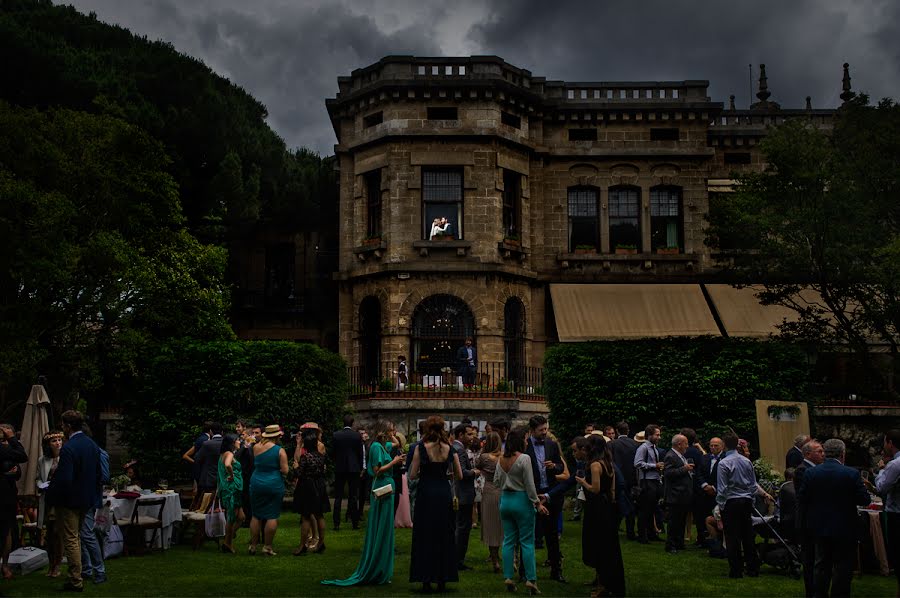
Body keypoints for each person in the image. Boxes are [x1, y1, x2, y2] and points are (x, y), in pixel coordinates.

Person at [322, 419, 404, 586]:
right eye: (390, 430)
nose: (393, 433)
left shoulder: (383, 446)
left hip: (388, 488)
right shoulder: (375, 447)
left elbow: (395, 444)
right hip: (383, 487)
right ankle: (375, 567)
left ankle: (382, 567)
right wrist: (394, 462)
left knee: (386, 526)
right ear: (381, 431)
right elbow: (377, 471)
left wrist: (391, 435)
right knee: (380, 526)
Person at [799, 438, 869, 597]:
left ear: (825, 453)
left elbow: (802, 499)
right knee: (843, 566)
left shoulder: (811, 473)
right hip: (845, 527)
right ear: (842, 454)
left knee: (821, 564)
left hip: (820, 526)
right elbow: (864, 499)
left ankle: (819, 594)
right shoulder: (851, 473)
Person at [46, 411, 100, 592]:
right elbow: (97, 474)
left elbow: (64, 479)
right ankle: (83, 572)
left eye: (63, 424)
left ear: (68, 426)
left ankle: (76, 580)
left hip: (70, 500)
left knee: (70, 539)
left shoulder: (69, 448)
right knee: (78, 537)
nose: (62, 427)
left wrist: (51, 493)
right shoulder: (91, 444)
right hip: (87, 498)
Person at [408, 416, 462, 592]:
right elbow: (459, 475)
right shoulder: (450, 448)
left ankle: (425, 579)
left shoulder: (420, 448)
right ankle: (442, 579)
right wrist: (445, 475)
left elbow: (412, 475)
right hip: (443, 493)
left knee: (425, 535)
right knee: (444, 534)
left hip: (426, 493)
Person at [496, 427, 546, 595]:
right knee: (527, 542)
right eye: (525, 439)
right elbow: (530, 485)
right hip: (522, 500)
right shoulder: (524, 458)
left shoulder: (501, 459)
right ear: (519, 441)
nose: (527, 442)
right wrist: (537, 503)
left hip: (505, 501)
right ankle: (531, 579)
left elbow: (496, 481)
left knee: (509, 541)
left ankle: (508, 576)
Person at [575, 435, 625, 598]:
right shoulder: (609, 464)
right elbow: (611, 490)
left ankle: (602, 585)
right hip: (608, 508)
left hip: (596, 509)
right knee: (609, 547)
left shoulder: (596, 465)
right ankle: (610, 583)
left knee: (598, 546)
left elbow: (595, 489)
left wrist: (583, 482)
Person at [525, 414, 567, 583]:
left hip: (549, 493)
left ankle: (556, 571)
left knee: (552, 535)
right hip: (531, 493)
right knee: (527, 535)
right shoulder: (525, 445)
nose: (545, 432)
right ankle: (524, 572)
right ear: (532, 430)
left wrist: (554, 466)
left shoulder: (552, 444)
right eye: (541, 430)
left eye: (546, 429)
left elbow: (561, 466)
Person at [716, 432, 761, 578]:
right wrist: (752, 500)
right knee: (747, 535)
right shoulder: (746, 461)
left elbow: (722, 488)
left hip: (731, 501)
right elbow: (753, 484)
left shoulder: (724, 463)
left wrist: (721, 505)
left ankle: (736, 570)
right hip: (746, 500)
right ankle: (752, 568)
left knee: (732, 537)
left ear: (723, 445)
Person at [249, 424, 288, 556]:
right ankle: (267, 546)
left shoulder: (255, 447)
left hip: (256, 482)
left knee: (256, 515)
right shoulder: (280, 450)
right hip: (273, 483)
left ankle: (253, 546)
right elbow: (285, 470)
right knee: (272, 515)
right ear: (277, 436)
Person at [293, 428, 329, 555]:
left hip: (307, 487)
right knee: (319, 515)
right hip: (319, 485)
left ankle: (302, 546)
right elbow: (324, 471)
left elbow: (299, 474)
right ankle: (321, 543)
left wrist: (296, 467)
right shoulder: (321, 456)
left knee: (306, 516)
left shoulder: (305, 457)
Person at [80, 424, 108, 585]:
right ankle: (87, 568)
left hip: (89, 497)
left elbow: (104, 476)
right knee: (83, 535)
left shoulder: (98, 452)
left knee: (87, 534)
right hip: (83, 497)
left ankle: (99, 570)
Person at [875, 429, 900, 598]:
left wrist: (881, 470)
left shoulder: (894, 465)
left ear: (890, 443)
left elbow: (881, 487)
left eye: (885, 442)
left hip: (897, 515)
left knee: (898, 555)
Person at [452, 422, 480, 570]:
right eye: (469, 434)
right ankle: (458, 561)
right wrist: (475, 472)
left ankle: (455, 559)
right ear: (460, 435)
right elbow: (461, 473)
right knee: (462, 528)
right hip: (463, 495)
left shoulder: (456, 448)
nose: (472, 437)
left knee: (459, 526)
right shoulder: (460, 450)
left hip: (460, 494)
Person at [37, 431, 64, 578]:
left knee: (57, 533)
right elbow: (37, 478)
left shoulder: (65, 458)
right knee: (48, 535)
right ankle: (51, 563)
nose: (58, 443)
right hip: (46, 499)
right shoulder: (42, 460)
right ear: (48, 444)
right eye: (54, 440)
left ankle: (57, 565)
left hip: (59, 500)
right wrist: (41, 484)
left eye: (60, 440)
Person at [476, 432, 503, 573]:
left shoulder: (484, 457)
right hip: (503, 490)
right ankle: (513, 558)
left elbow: (477, 465)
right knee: (502, 525)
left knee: (491, 525)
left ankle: (495, 560)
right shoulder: (504, 457)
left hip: (489, 490)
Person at [663, 433, 695, 554]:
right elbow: (668, 473)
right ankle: (670, 545)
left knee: (681, 521)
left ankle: (679, 542)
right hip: (674, 495)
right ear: (679, 444)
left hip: (682, 495)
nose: (687, 446)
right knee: (673, 522)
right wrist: (685, 469)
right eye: (686, 443)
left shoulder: (681, 456)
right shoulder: (671, 456)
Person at [332, 415, 363, 531]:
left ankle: (336, 523)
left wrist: (337, 462)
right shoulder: (357, 436)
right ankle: (355, 523)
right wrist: (360, 467)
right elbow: (360, 453)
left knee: (338, 496)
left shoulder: (336, 435)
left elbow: (333, 453)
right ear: (352, 423)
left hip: (340, 468)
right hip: (353, 468)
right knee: (353, 496)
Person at [609, 422, 640, 539]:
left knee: (616, 504)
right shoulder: (635, 444)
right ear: (628, 431)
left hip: (616, 478)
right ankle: (630, 531)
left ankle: (613, 529)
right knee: (631, 505)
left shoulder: (612, 444)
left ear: (617, 431)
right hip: (631, 478)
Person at [633, 424, 664, 544]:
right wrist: (654, 466)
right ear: (649, 435)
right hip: (646, 481)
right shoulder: (643, 448)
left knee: (652, 509)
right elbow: (637, 463)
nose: (659, 437)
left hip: (654, 480)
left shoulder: (654, 448)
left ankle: (652, 534)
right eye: (657, 435)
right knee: (645, 509)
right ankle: (642, 535)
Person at [681, 427, 709, 546]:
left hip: (686, 485)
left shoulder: (683, 451)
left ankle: (684, 536)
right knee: (699, 514)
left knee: (683, 513)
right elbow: (704, 464)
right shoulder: (698, 453)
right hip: (697, 486)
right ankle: (701, 537)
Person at [217, 432, 245, 554]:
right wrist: (232, 475)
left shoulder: (224, 454)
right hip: (232, 489)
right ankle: (228, 543)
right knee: (232, 517)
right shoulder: (228, 454)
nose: (240, 442)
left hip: (233, 489)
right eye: (238, 440)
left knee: (241, 517)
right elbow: (228, 465)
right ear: (232, 443)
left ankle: (227, 538)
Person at [195, 422, 224, 499]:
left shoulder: (206, 444)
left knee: (208, 501)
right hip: (224, 476)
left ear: (211, 431)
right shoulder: (226, 443)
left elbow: (197, 458)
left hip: (209, 477)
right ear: (222, 432)